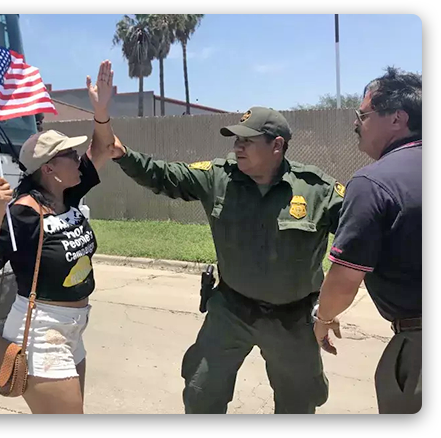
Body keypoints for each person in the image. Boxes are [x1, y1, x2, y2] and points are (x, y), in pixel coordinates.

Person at [92, 68, 345, 414]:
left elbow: (358, 243)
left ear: (277, 146)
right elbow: (164, 175)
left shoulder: (317, 190)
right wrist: (123, 154)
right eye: (235, 140)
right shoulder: (218, 178)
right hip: (231, 310)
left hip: (293, 319)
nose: (237, 146)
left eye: (247, 140)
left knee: (299, 402)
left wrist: (329, 308)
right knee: (201, 390)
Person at [0, 61, 116, 414]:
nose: (78, 157)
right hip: (40, 334)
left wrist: (100, 111)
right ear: (48, 169)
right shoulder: (23, 212)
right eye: (69, 154)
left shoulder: (69, 193)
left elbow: (103, 147)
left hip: (73, 330)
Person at [313, 67, 422, 414]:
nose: (356, 123)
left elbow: (345, 280)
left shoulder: (373, 183)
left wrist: (324, 318)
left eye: (363, 114)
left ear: (397, 119)